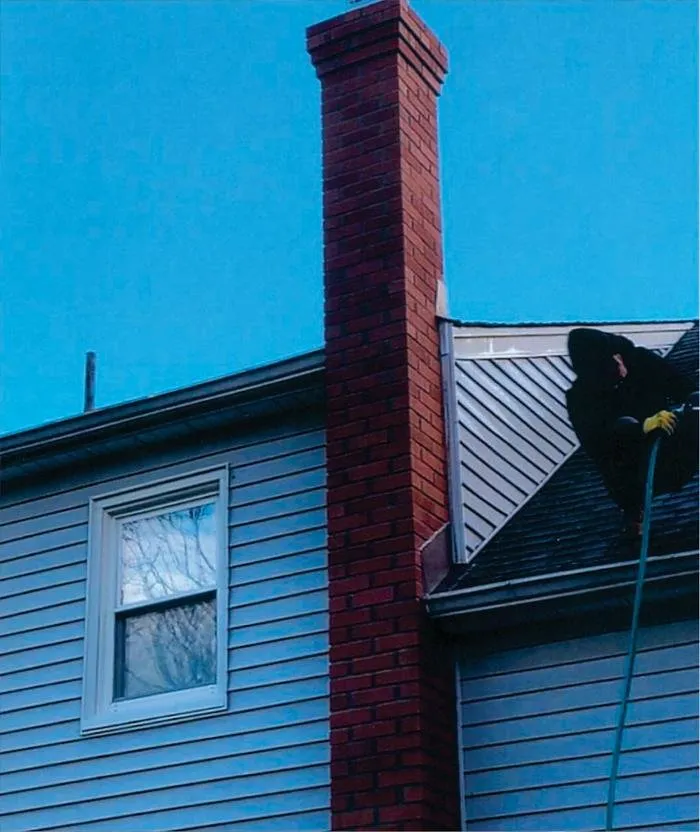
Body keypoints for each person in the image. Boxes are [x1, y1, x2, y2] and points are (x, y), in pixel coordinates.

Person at [566, 327, 698, 536]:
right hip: (636, 468)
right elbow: (596, 444)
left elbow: (683, 386)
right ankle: (634, 514)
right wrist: (640, 428)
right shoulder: (580, 398)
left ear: (617, 356)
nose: (614, 379)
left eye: (612, 368)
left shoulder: (641, 361)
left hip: (673, 444)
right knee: (614, 465)